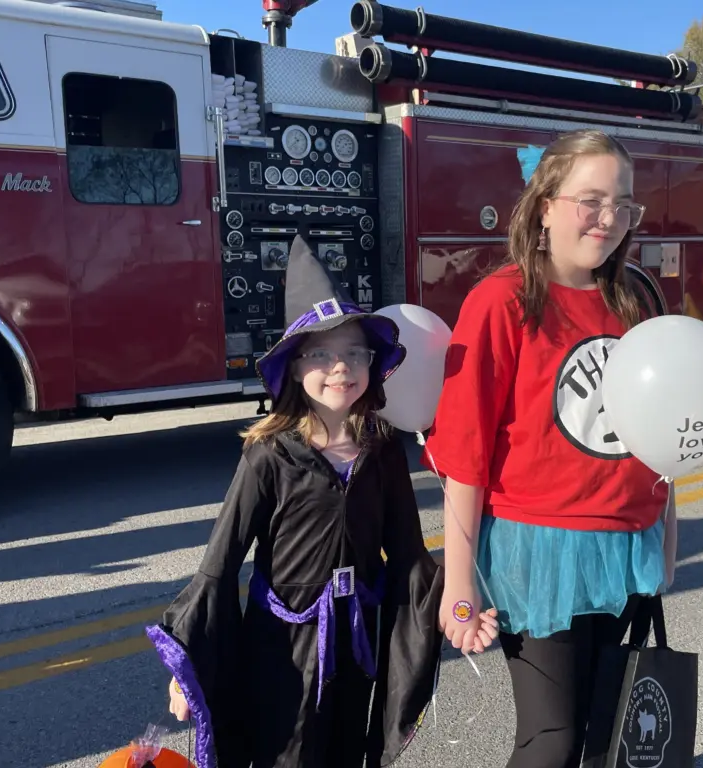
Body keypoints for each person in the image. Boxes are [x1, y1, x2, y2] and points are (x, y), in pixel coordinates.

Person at [145, 235, 498, 768]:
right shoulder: (268, 455)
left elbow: (408, 556)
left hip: (355, 642)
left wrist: (457, 610)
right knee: (286, 755)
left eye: (355, 352)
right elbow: (219, 566)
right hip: (280, 649)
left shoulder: (382, 452)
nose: (341, 367)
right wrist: (188, 665)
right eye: (322, 353)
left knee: (345, 751)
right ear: (293, 366)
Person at [425, 129, 679, 768]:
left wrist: (666, 539)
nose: (609, 219)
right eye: (591, 201)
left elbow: (663, 434)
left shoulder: (637, 299)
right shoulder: (501, 300)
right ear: (545, 205)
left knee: (605, 733)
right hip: (537, 551)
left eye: (623, 204)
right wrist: (459, 584)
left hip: (625, 544)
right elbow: (465, 456)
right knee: (552, 740)